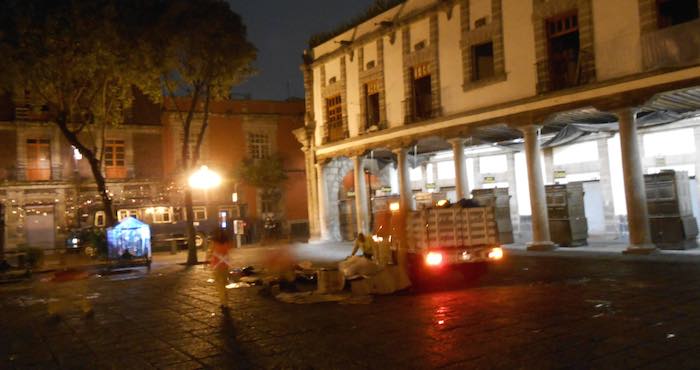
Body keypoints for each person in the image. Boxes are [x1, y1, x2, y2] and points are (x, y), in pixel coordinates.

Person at [209, 228, 233, 310]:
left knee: (220, 286)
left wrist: (207, 262)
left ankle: (224, 303)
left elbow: (210, 252)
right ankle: (225, 302)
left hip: (216, 266)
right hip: (225, 266)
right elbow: (229, 250)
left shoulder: (214, 243)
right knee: (223, 285)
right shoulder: (227, 243)